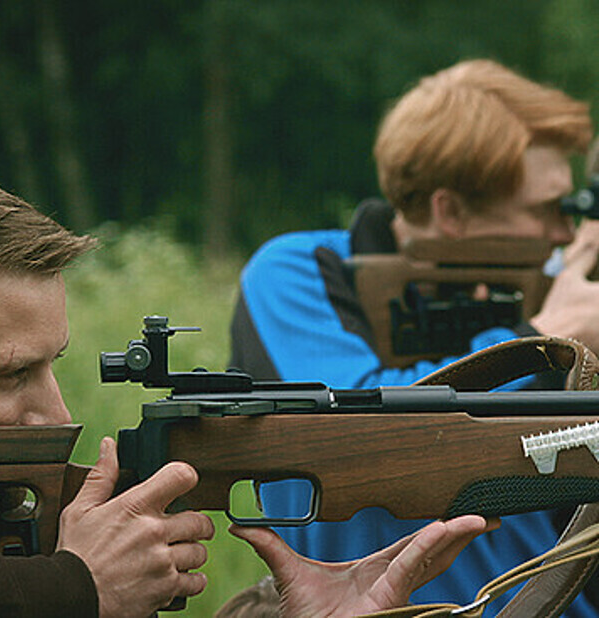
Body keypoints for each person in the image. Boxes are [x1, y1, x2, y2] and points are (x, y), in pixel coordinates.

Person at [0, 153, 491, 617]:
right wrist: (73, 590)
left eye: (50, 365)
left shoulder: (22, 540)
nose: (55, 412)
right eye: (10, 373)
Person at [230, 59, 599, 615]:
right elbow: (365, 424)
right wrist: (543, 337)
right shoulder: (299, 271)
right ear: (448, 211)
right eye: (548, 210)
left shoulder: (550, 291)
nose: (566, 235)